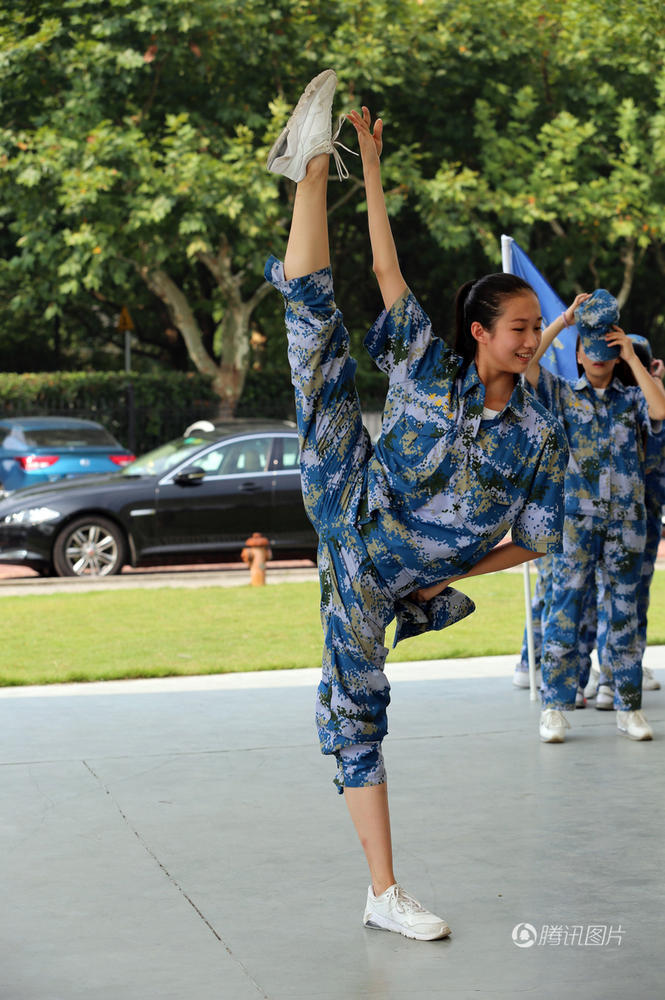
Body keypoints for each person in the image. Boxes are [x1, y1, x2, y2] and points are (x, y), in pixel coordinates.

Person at [266, 69, 568, 941]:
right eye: (518, 328)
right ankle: (313, 168)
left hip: (372, 578)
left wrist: (451, 569)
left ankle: (380, 893)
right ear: (479, 333)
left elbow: (537, 539)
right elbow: (385, 268)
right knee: (312, 329)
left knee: (359, 708)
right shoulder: (429, 369)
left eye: (534, 329)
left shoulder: (540, 434)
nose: (531, 337)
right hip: (347, 488)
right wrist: (371, 166)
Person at [525, 292, 665, 742]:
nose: (599, 358)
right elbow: (527, 367)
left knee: (623, 615)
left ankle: (628, 706)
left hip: (626, 523)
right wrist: (563, 321)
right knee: (564, 611)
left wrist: (631, 356)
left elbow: (660, 409)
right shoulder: (563, 395)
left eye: (606, 350)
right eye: (591, 349)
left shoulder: (632, 399)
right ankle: (554, 707)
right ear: (580, 355)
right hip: (575, 523)